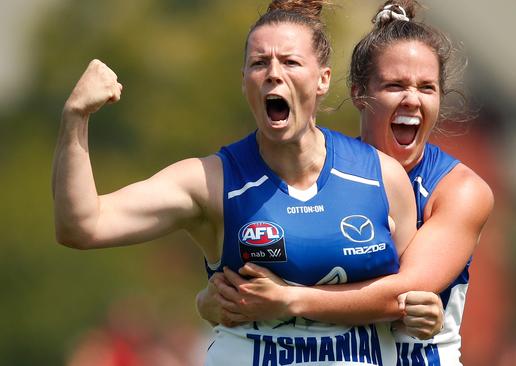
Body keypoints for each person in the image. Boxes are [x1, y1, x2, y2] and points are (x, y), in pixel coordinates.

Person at [52, 0, 424, 364]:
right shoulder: (210, 181)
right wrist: (75, 118)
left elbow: (410, 303)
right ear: (244, 80)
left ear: (323, 79)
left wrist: (427, 313)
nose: (274, 74)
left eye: (291, 62)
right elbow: (82, 226)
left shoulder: (382, 177)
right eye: (259, 63)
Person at [196, 1, 494, 365]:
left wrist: (287, 299)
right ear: (358, 93)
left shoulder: (460, 189)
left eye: (427, 88)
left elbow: (399, 294)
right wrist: (215, 301)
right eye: (394, 85)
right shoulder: (326, 171)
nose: (411, 99)